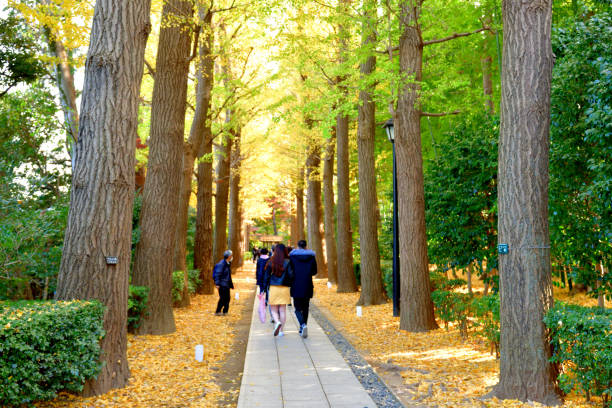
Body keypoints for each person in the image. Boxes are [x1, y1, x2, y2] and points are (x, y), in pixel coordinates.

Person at [289, 240, 317, 338]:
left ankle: (302, 325)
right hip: (307, 284)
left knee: (297, 308)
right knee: (306, 307)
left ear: (298, 246)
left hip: (296, 284)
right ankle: (303, 326)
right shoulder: (311, 256)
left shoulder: (292, 256)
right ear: (306, 246)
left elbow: (290, 271)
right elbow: (314, 271)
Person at [264, 243, 292, 337]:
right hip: (284, 287)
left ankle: (277, 322)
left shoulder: (271, 261)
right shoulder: (288, 261)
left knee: (274, 310)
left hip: (273, 287)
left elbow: (266, 276)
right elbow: (291, 275)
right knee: (283, 310)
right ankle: (281, 331)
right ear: (285, 251)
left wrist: (264, 288)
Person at [213, 250, 234, 316]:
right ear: (229, 256)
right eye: (231, 255)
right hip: (222, 284)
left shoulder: (227, 263)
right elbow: (217, 274)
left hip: (226, 284)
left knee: (227, 298)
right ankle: (218, 311)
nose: (232, 256)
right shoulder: (221, 264)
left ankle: (225, 311)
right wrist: (217, 283)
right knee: (223, 298)